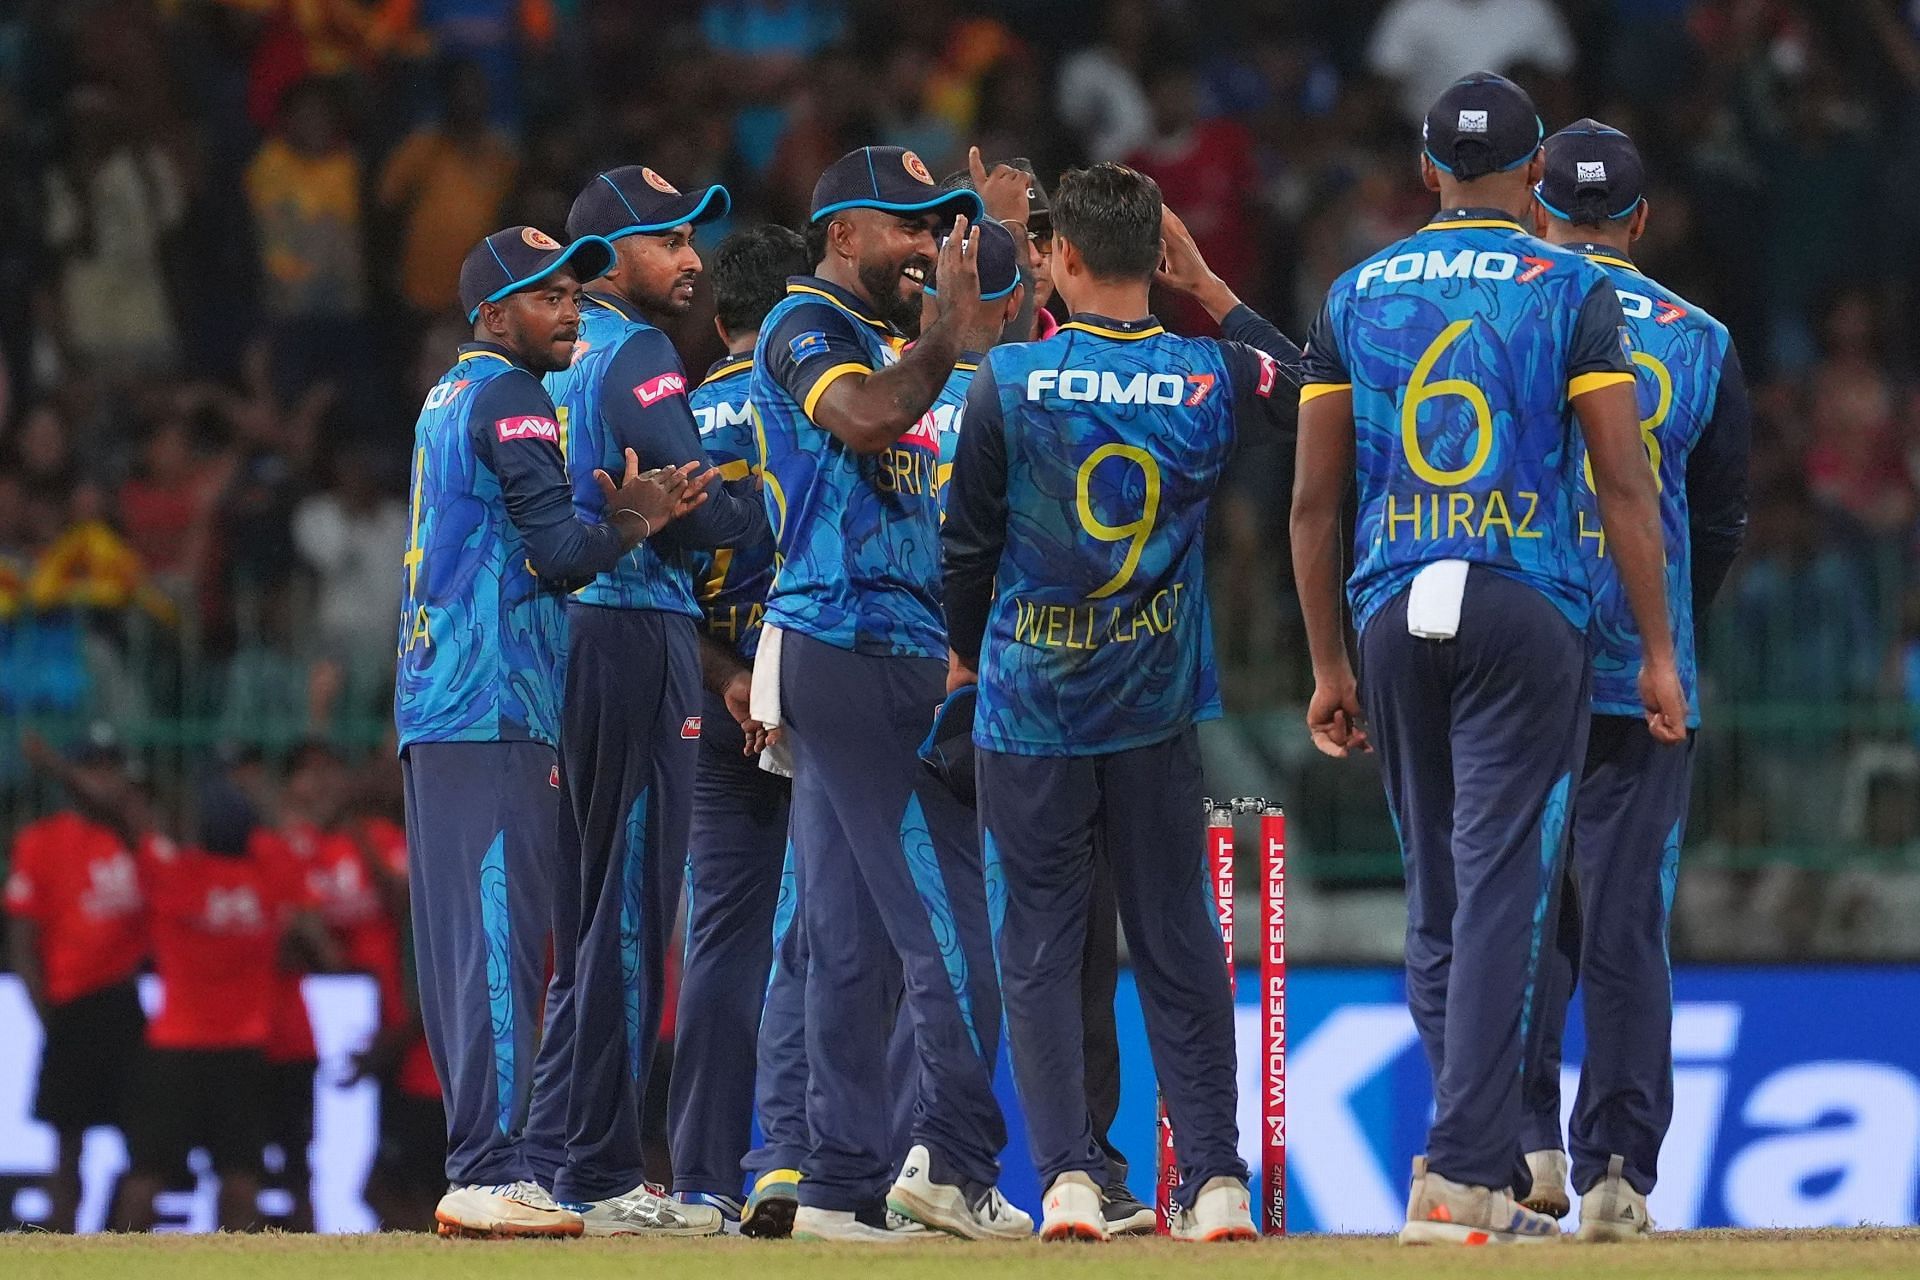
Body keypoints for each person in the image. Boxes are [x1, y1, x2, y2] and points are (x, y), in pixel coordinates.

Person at [1288, 73, 1687, 1246]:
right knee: (1507, 887)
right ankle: (1467, 1168)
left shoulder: (1353, 292)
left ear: (1426, 173)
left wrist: (1325, 661)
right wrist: (1657, 651)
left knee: (1441, 898)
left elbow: (1315, 502)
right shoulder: (1568, 285)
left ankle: (1480, 1155)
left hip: (1389, 601)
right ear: (1532, 178)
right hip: (1527, 606)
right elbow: (1625, 483)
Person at [941, 164, 1300, 1244]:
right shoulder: (1211, 374)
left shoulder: (1011, 379)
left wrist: (968, 655)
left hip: (1030, 708)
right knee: (1179, 939)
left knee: (1042, 948)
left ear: (1059, 260)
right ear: (1156, 255)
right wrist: (1212, 286)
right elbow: (1318, 384)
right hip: (1151, 710)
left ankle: (1067, 1183)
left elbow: (968, 549)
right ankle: (1219, 1182)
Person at [394, 224, 712, 1240]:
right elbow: (565, 554)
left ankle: (499, 1159)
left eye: (575, 294)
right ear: (492, 313)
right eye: (546, 298)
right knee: (499, 929)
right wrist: (637, 518)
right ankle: (489, 1165)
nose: (570, 311)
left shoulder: (448, 395)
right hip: (492, 697)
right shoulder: (513, 399)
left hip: (445, 695)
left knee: (474, 930)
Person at [749, 144, 1020, 1243]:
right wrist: (946, 330)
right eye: (907, 225)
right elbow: (864, 418)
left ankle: (837, 1181)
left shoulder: (893, 337)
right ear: (842, 231)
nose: (925, 245)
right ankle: (955, 1161)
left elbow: (969, 379)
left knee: (848, 938)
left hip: (873, 648)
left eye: (937, 225)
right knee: (951, 917)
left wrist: (997, 255)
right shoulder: (805, 326)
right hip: (857, 647)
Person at [1517, 120, 1751, 1240]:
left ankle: (1520, 1147)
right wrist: (1667, 637)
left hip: (1517, 661)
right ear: (1642, 220)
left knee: (1508, 911)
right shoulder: (1700, 338)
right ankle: (1616, 1169)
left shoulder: (1514, 309)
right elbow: (1721, 511)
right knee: (1625, 924)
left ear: (1536, 206)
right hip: (1644, 670)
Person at [524, 166, 763, 1237]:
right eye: (669, 239)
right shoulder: (640, 352)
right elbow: (701, 514)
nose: (693, 259)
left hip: (570, 633)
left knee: (587, 910)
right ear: (610, 256)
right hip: (633, 626)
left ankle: (555, 1151)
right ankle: (604, 1170)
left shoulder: (556, 355)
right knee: (625, 907)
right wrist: (759, 517)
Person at [667, 223, 808, 1228]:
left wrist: (727, 681)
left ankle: (702, 1177)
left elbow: (657, 584)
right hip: (829, 695)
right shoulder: (829, 402)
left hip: (718, 702)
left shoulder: (675, 418)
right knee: (835, 930)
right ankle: (805, 1159)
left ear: (719, 320)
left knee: (721, 939)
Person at [4, 728, 147, 1233]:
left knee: (145, 1146)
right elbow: (23, 937)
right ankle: (61, 1244)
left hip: (126, 1003)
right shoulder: (40, 842)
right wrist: (47, 1011)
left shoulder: (135, 833)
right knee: (67, 1147)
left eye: (111, 767)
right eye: (94, 767)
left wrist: (56, 767)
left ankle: (121, 1243)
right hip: (72, 1004)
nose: (104, 779)